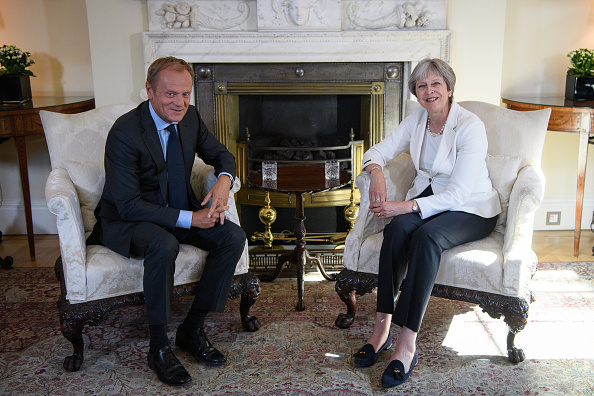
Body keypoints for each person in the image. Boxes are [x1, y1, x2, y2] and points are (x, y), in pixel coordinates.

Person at [88, 56, 246, 386]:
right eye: (171, 94)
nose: (180, 103)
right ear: (149, 90)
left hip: (175, 211)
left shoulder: (189, 119)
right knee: (163, 244)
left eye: (186, 94)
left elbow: (222, 154)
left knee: (232, 237)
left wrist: (224, 179)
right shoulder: (125, 133)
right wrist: (192, 219)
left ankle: (192, 330)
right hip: (129, 219)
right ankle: (158, 347)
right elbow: (129, 204)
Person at [353, 58, 501, 388]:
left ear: (449, 88)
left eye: (436, 84)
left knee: (426, 239)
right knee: (397, 229)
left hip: (472, 208)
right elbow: (378, 150)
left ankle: (407, 342)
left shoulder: (470, 126)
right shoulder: (418, 118)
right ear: (416, 94)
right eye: (421, 86)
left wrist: (401, 205)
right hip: (429, 199)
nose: (429, 91)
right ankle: (381, 328)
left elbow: (459, 193)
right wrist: (376, 172)